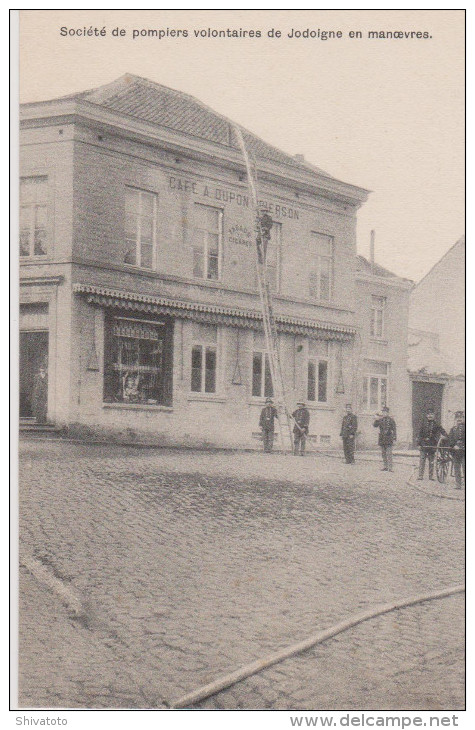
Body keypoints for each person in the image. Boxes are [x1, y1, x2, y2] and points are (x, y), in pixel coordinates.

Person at [417, 407, 447, 481]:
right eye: (429, 414)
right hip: (424, 444)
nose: (430, 416)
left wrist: (445, 436)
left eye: (431, 414)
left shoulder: (436, 424)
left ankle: (431, 476)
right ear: (427, 415)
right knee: (422, 460)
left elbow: (442, 431)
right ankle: (420, 476)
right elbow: (419, 435)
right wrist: (418, 444)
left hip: (432, 445)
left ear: (434, 415)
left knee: (431, 461)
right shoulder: (423, 424)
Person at [373, 406, 397, 472]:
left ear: (388, 413)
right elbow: (375, 425)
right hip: (382, 438)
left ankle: (390, 467)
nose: (384, 413)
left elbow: (394, 429)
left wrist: (394, 438)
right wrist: (376, 419)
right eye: (383, 412)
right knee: (383, 454)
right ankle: (385, 466)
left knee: (389, 453)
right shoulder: (380, 420)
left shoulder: (391, 420)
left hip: (389, 438)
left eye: (385, 412)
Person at [448, 411, 465, 489]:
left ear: (463, 418)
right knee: (457, 468)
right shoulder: (453, 429)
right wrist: (454, 445)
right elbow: (450, 439)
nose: (459, 419)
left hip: (465, 452)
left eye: (461, 418)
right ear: (455, 419)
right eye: (457, 418)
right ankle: (458, 484)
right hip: (455, 452)